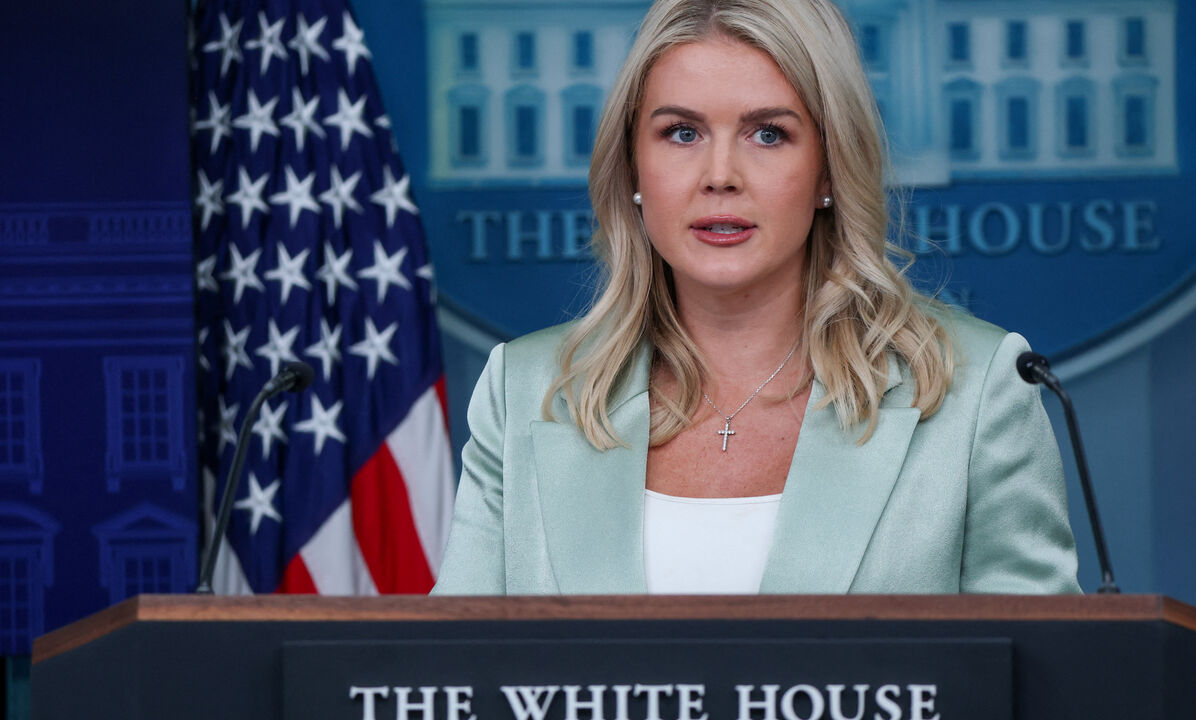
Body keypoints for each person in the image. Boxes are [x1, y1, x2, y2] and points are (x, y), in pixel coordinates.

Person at [432, 0, 1080, 595]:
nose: (720, 177)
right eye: (682, 133)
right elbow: (451, 680)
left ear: (828, 169)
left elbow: (1045, 683)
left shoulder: (976, 392)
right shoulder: (524, 393)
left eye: (767, 134)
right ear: (632, 167)